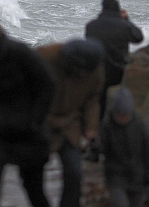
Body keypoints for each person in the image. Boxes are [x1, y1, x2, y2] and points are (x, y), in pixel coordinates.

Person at [0, 18, 56, 207]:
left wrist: (35, 120)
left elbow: (48, 86)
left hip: (29, 132)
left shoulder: (19, 53)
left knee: (34, 190)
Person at [37, 38, 105, 207]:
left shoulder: (94, 70)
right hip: (39, 123)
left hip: (70, 124)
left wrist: (90, 129)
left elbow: (92, 101)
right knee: (33, 174)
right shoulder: (44, 59)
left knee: (74, 172)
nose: (82, 76)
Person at [85, 0, 143, 119]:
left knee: (100, 103)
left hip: (99, 70)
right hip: (119, 71)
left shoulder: (91, 26)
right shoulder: (124, 26)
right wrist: (126, 19)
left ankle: (99, 129)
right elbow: (138, 38)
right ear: (118, 9)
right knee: (121, 102)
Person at [100, 87, 149, 207]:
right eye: (119, 115)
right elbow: (102, 147)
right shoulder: (107, 127)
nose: (122, 118)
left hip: (138, 177)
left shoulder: (140, 127)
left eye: (125, 115)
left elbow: (148, 152)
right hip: (116, 176)